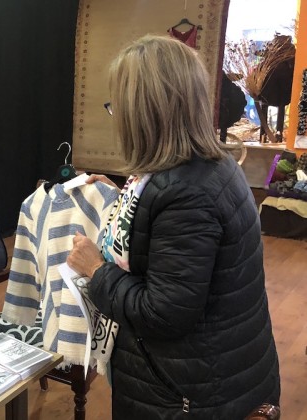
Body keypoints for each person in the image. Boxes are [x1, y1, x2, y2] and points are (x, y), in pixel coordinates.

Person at [67, 35, 280, 418]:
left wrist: (96, 270)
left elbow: (163, 314)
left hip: (190, 395)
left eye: (119, 107)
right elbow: (174, 251)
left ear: (145, 113)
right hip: (216, 375)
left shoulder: (185, 193)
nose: (116, 117)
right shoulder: (209, 166)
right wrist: (126, 199)